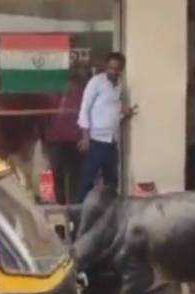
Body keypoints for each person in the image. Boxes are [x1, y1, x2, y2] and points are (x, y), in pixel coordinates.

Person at [77, 52, 136, 205]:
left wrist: (124, 114)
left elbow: (112, 111)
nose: (113, 71)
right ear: (105, 67)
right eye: (110, 68)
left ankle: (110, 214)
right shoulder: (96, 82)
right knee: (87, 181)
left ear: (121, 69)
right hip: (95, 140)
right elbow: (85, 109)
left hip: (111, 141)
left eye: (117, 69)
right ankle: (80, 214)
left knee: (112, 182)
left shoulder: (119, 86)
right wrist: (85, 136)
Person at [45, 63, 90, 204]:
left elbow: (86, 115)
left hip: (75, 140)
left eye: (71, 81)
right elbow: (45, 117)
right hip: (55, 140)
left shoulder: (81, 94)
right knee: (57, 174)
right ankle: (61, 205)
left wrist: (85, 136)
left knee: (75, 176)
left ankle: (74, 208)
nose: (68, 85)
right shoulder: (52, 95)